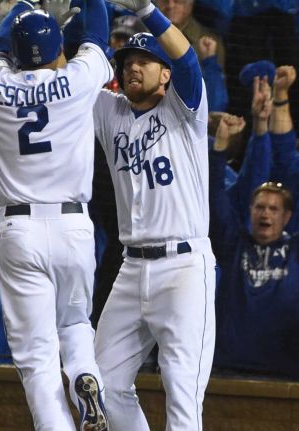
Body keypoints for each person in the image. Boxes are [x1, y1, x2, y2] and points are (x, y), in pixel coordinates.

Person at [0, 0, 113, 429]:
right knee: (74, 323)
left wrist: (22, 7)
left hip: (19, 228)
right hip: (73, 224)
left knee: (36, 357)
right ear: (59, 50)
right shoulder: (77, 78)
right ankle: (86, 378)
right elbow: (98, 32)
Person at [90, 0, 217, 429]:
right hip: (130, 270)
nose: (132, 67)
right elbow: (81, 63)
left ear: (164, 74)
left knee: (181, 395)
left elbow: (184, 55)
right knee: (100, 386)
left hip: (183, 268)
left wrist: (146, 8)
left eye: (144, 60)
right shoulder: (110, 113)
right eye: (127, 60)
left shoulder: (185, 110)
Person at [211, 176, 299, 378]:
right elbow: (215, 202)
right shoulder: (233, 245)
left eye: (273, 209)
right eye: (259, 207)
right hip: (227, 369)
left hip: (284, 373)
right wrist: (217, 152)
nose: (265, 213)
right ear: (250, 210)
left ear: (286, 217)